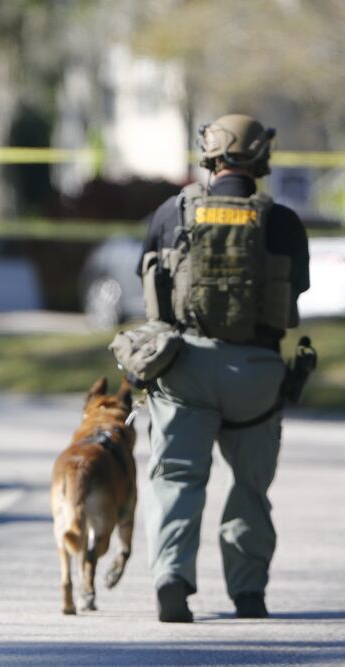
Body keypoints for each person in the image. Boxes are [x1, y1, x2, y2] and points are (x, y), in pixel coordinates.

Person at [137, 114, 309, 623]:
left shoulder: (172, 211)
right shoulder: (281, 221)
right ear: (262, 159)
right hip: (255, 374)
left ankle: (172, 577)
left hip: (185, 364)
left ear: (210, 155)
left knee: (176, 477)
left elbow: (151, 289)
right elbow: (293, 297)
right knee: (249, 487)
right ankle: (248, 592)